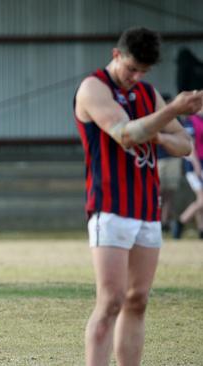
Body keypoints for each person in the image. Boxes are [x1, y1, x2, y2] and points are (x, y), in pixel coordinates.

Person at [73, 27, 202, 366]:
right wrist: (172, 110)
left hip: (146, 206)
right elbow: (125, 134)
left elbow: (184, 145)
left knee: (138, 299)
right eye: (131, 68)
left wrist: (158, 131)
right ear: (117, 55)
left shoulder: (147, 93)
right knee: (111, 300)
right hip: (110, 205)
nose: (136, 77)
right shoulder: (93, 87)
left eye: (143, 72)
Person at [172, 108, 203, 239]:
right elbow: (190, 146)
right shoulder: (190, 122)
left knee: (200, 199)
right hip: (194, 166)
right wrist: (196, 165)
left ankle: (201, 229)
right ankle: (181, 221)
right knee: (202, 200)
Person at [156, 95, 183, 231]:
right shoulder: (155, 118)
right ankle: (155, 219)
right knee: (158, 193)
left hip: (173, 158)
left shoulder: (176, 119)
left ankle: (164, 222)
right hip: (159, 159)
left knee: (169, 193)